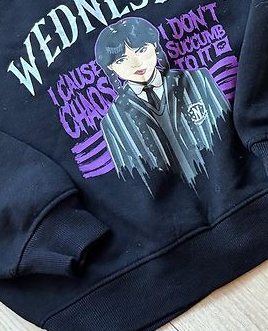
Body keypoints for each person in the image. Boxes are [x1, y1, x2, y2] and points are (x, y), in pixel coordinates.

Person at [95, 16, 230, 196]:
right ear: (111, 67)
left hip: (233, 188)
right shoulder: (112, 122)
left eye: (142, 50)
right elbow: (131, 182)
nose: (136, 63)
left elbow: (228, 127)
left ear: (154, 45)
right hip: (176, 208)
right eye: (121, 60)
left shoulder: (198, 79)